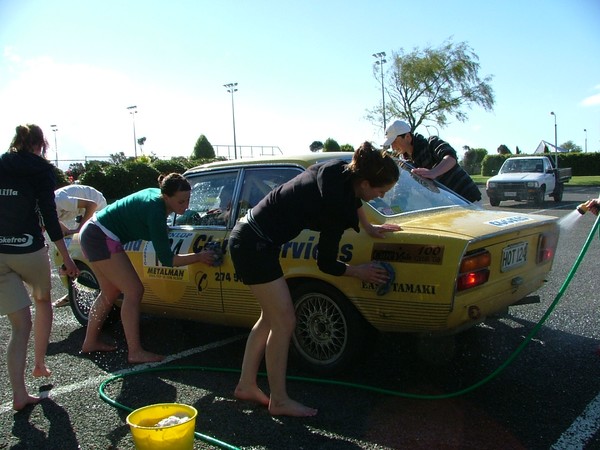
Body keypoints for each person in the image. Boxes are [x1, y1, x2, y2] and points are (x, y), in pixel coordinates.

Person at [228, 141, 400, 417]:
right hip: (252, 245)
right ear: (366, 183)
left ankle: (246, 385)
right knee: (285, 321)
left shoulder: (338, 170)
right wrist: (359, 271)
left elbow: (354, 196)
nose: (380, 196)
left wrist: (368, 226)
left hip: (252, 238)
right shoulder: (336, 207)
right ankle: (279, 401)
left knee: (270, 318)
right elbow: (326, 263)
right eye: (381, 190)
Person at [79, 173, 216, 364]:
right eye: (181, 201)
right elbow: (167, 260)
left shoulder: (159, 198)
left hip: (93, 232)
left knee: (109, 292)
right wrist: (200, 257)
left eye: (188, 200)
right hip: (100, 237)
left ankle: (90, 341)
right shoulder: (156, 210)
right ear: (166, 197)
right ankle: (135, 351)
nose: (186, 206)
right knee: (134, 291)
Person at [0, 124, 79, 411]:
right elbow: (47, 210)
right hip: (28, 249)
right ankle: (39, 364)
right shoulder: (40, 169)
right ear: (40, 145)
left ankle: (19, 395)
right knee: (43, 301)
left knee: (19, 327)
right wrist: (66, 258)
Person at [383, 119, 481, 203]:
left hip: (469, 199)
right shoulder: (404, 162)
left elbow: (451, 157)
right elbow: (403, 188)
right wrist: (394, 207)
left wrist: (433, 172)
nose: (393, 147)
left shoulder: (431, 143)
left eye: (394, 141)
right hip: (450, 206)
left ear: (407, 137)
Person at [52, 184, 108, 307]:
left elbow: (91, 204)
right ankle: (73, 291)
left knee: (90, 243)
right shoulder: (45, 211)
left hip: (96, 204)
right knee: (71, 244)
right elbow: (54, 226)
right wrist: (68, 231)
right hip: (82, 210)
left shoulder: (59, 201)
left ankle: (103, 288)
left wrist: (79, 229)